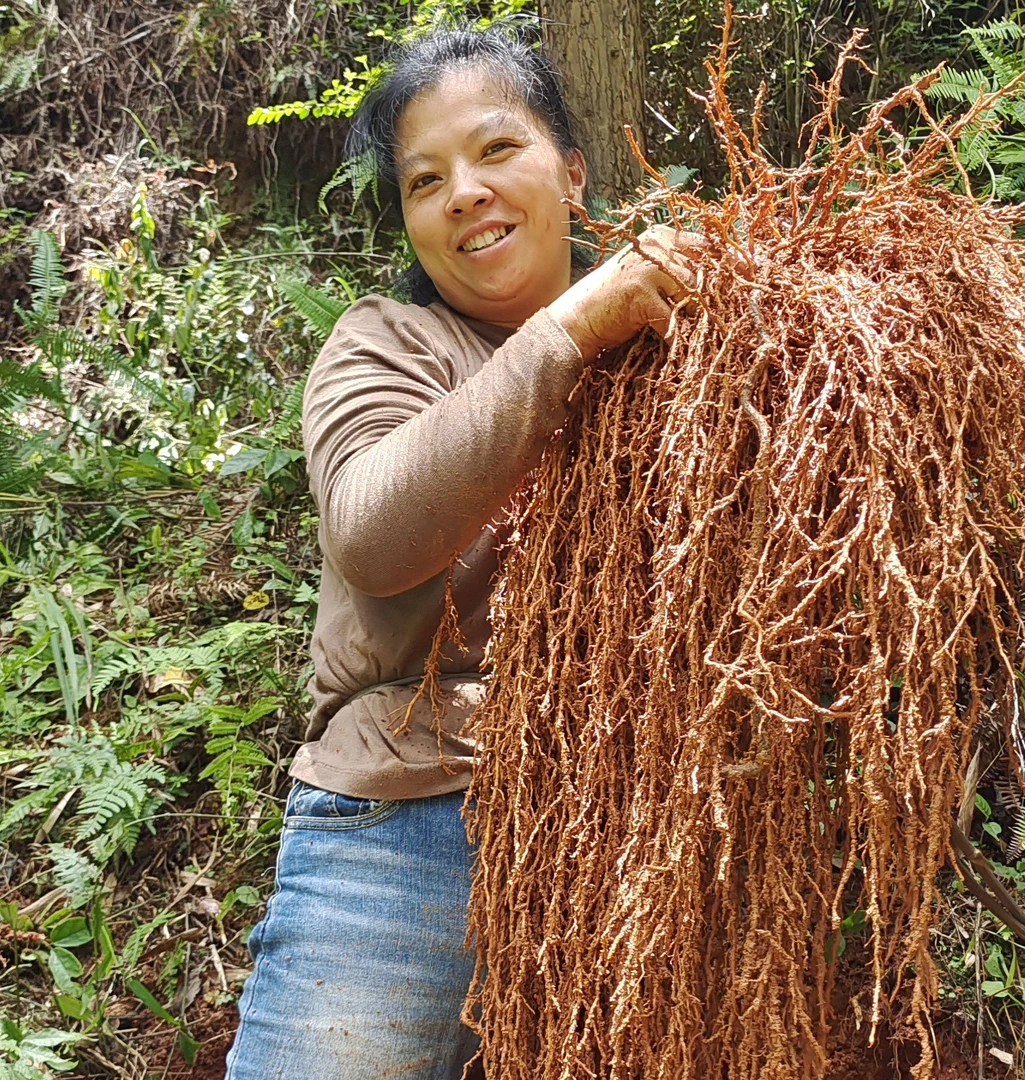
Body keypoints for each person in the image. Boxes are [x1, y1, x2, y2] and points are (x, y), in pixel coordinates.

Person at [223, 23, 703, 1080]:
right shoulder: (388, 343)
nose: (465, 193)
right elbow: (373, 533)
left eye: (496, 151)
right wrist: (568, 331)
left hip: (634, 840)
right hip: (404, 827)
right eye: (426, 179)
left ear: (571, 170)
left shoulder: (685, 356)